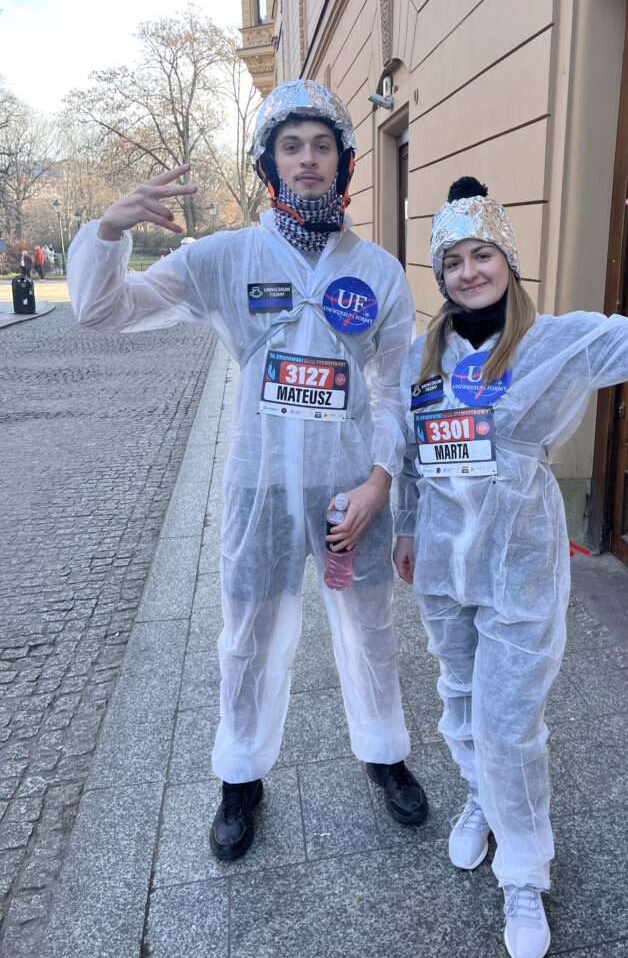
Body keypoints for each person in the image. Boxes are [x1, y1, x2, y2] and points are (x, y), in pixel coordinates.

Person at [67, 80, 428, 862]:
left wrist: (380, 481)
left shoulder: (378, 272)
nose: (308, 159)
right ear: (271, 163)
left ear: (343, 163)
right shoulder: (226, 258)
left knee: (369, 626)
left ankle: (384, 751)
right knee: (247, 636)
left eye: (322, 146)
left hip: (350, 489)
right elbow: (103, 310)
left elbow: (393, 389)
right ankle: (240, 775)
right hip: (259, 486)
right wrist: (109, 228)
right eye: (292, 146)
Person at [393, 178, 628, 958]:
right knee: (461, 702)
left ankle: (525, 874)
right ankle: (481, 800)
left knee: (508, 724)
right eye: (453, 261)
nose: (469, 272)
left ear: (509, 260)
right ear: (440, 275)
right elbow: (409, 456)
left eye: (482, 255)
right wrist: (404, 528)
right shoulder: (422, 358)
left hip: (520, 559)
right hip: (442, 565)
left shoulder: (560, 341)